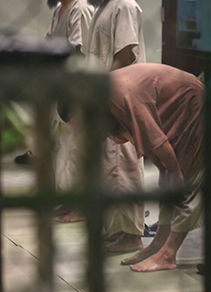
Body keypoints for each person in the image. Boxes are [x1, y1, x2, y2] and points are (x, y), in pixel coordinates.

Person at [102, 63, 205, 272]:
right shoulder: (105, 96)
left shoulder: (120, 97)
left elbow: (158, 143)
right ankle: (158, 245)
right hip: (176, 109)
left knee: (186, 182)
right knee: (168, 179)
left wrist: (176, 174)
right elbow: (154, 148)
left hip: (193, 103)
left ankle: (167, 255)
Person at [81, 0, 146, 252]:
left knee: (123, 165)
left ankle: (130, 235)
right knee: (108, 166)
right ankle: (115, 230)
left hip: (119, 97)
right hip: (104, 97)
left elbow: (125, 55)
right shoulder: (100, 8)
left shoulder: (125, 6)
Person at [14, 0, 94, 201]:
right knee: (56, 145)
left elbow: (80, 56)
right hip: (57, 88)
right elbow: (50, 46)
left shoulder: (80, 9)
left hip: (73, 88)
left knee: (72, 147)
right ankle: (56, 195)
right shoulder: (59, 10)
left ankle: (71, 201)